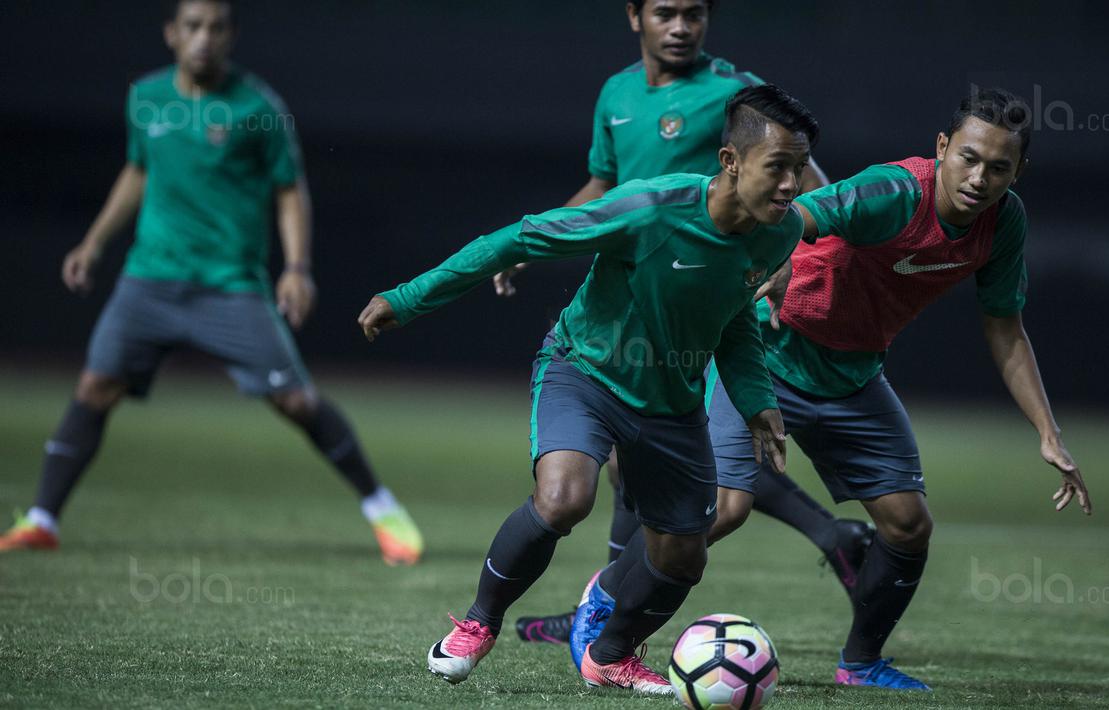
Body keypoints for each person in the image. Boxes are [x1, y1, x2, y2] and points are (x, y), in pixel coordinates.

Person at [574, 86, 1094, 691]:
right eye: (969, 158)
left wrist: (1048, 433)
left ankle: (862, 663)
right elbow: (799, 213)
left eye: (999, 167)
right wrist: (784, 263)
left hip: (853, 375)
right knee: (721, 510)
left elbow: (1006, 327)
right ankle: (607, 604)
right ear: (943, 147)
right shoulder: (893, 191)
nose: (979, 177)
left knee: (907, 524)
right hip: (772, 352)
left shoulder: (1004, 224)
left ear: (1018, 172)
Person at [358, 85, 818, 694]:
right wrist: (410, 298)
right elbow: (519, 238)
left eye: (799, 168)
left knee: (684, 557)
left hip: (672, 407)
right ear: (730, 162)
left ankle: (610, 654)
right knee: (563, 497)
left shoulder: (778, 235)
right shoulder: (649, 208)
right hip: (586, 373)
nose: (792, 184)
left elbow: (733, 318)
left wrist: (756, 399)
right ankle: (478, 624)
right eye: (778, 167)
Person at [497, 0, 873, 648]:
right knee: (640, 465)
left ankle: (603, 613)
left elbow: (809, 183)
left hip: (713, 304)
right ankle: (610, 606)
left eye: (693, 14)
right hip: (638, 302)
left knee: (693, 475)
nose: (680, 27)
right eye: (665, 13)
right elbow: (603, 182)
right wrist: (532, 242)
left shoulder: (735, 91)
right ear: (633, 16)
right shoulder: (616, 92)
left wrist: (787, 261)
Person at [0, 0, 424, 566]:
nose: (204, 37)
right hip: (150, 280)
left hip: (230, 286)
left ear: (231, 36)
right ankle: (43, 520)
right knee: (94, 388)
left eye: (216, 27)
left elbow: (289, 189)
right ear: (172, 34)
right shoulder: (146, 97)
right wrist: (95, 242)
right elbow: (138, 170)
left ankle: (382, 507)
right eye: (193, 26)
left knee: (296, 400)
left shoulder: (258, 107)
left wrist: (297, 269)